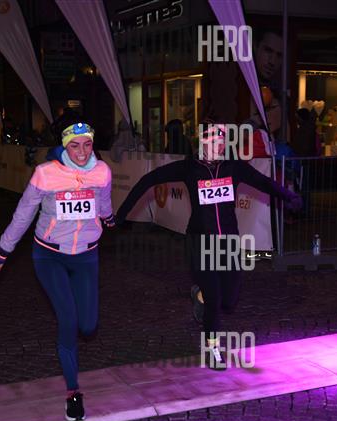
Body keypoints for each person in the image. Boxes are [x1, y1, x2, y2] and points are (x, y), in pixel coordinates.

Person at [115, 119, 301, 369]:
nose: (220, 144)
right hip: (200, 242)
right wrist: (121, 214)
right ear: (202, 141)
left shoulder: (234, 167)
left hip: (229, 243)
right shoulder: (189, 168)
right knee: (215, 299)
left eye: (222, 140)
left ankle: (199, 294)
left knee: (229, 300)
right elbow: (148, 180)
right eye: (214, 139)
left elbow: (264, 183)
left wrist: (289, 196)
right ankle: (212, 349)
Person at [0, 122, 115, 421]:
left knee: (88, 326)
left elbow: (103, 202)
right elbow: (23, 215)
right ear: (65, 146)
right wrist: (3, 251)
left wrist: (109, 218)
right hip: (50, 256)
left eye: (87, 144)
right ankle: (73, 393)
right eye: (75, 145)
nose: (82, 152)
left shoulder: (102, 172)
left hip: (86, 255)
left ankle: (75, 360)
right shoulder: (45, 174)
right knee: (68, 320)